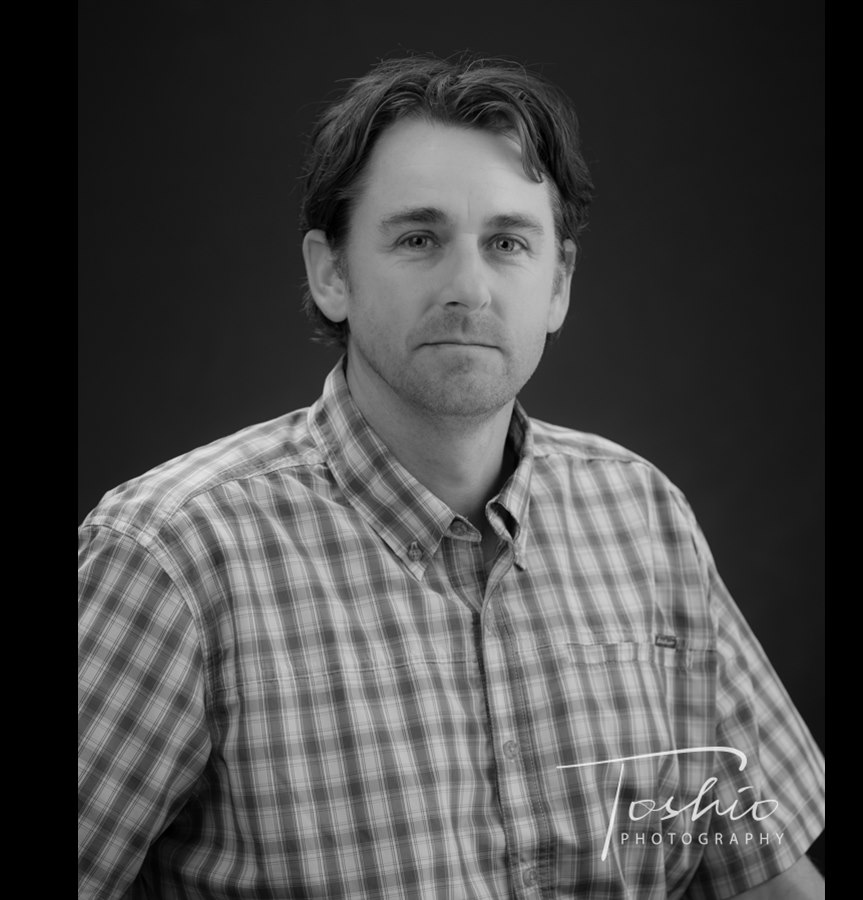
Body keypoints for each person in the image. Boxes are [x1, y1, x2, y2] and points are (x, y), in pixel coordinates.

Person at [78, 54, 825, 899]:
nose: (468, 287)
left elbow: (762, 875)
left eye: (507, 243)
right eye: (418, 239)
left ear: (558, 285)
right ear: (331, 274)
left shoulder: (644, 518)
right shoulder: (173, 557)